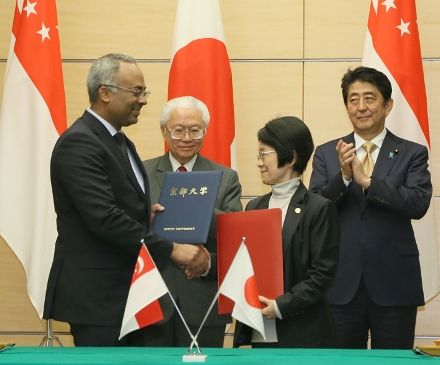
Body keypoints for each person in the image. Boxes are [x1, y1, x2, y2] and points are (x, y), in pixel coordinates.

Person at [43, 53, 210, 347]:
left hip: (129, 294)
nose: (143, 100)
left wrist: (146, 215)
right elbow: (103, 218)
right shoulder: (79, 142)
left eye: (143, 92)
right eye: (136, 91)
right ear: (104, 93)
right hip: (98, 299)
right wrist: (172, 249)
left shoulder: (119, 141)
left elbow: (115, 207)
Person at [309, 66, 432, 349]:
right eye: (353, 100)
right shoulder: (328, 153)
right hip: (340, 284)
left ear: (387, 105)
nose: (361, 107)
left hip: (394, 283)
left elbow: (418, 203)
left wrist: (368, 182)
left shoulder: (412, 152)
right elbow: (315, 211)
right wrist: (343, 178)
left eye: (369, 98)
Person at [137, 96, 242, 347]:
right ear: (164, 131)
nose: (186, 138)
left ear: (205, 131)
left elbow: (234, 241)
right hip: (150, 298)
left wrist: (206, 262)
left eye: (195, 130)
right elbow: (123, 230)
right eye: (178, 130)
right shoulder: (140, 173)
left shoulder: (226, 178)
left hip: (203, 302)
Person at [234, 116, 339, 348]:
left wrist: (282, 306)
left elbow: (322, 275)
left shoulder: (319, 208)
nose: (259, 162)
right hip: (261, 328)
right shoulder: (254, 207)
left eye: (264, 154)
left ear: (290, 157)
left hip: (303, 332)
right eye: (258, 155)